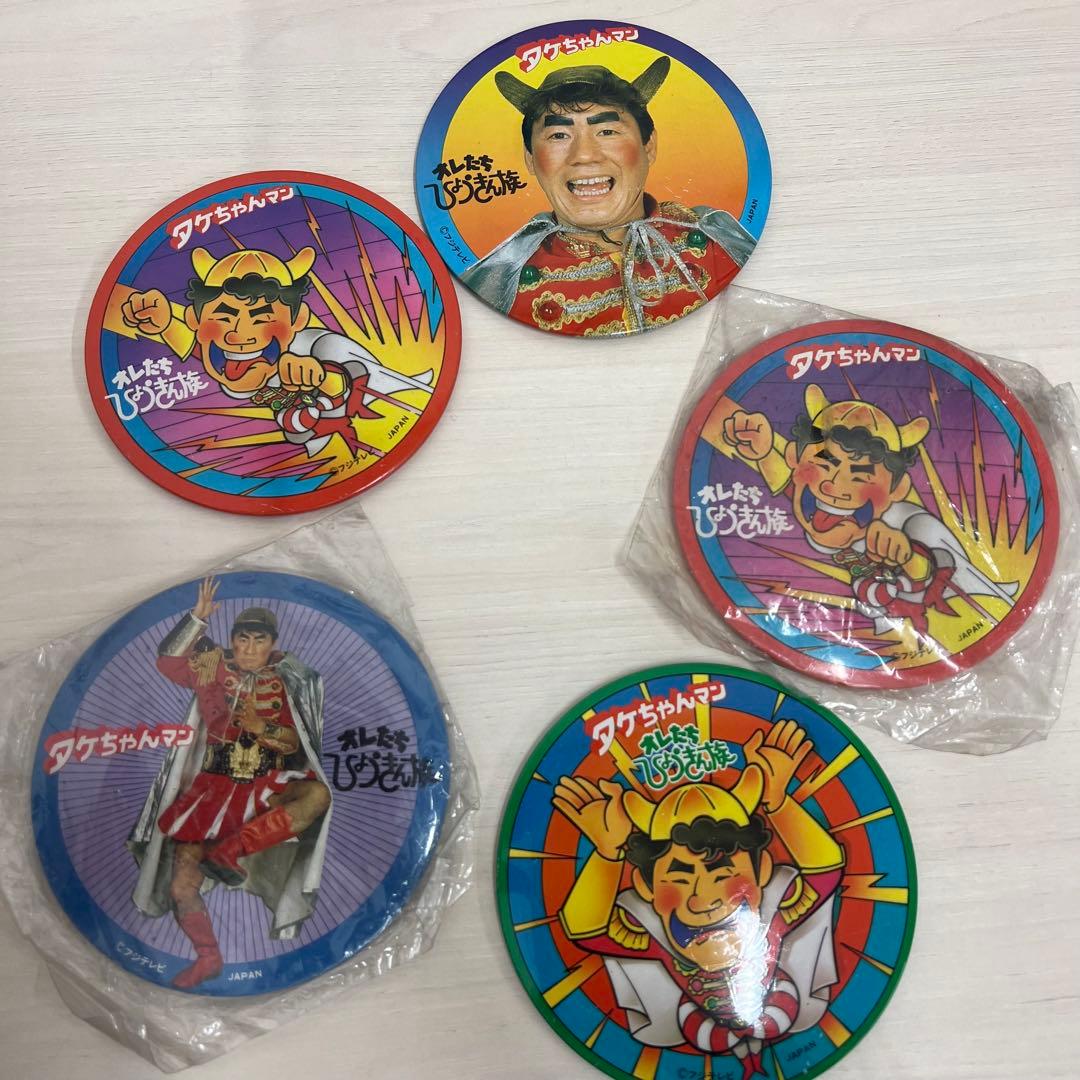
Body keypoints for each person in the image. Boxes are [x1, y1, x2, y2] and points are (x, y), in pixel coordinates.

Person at [553, 722, 843, 1079]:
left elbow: (826, 871)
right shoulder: (654, 939)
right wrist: (606, 854)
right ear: (645, 887)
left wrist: (780, 803)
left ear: (763, 872)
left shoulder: (776, 914)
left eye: (723, 876)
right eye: (680, 879)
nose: (703, 899)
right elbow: (584, 930)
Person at [127, 577, 332, 989]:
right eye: (242, 639)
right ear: (233, 640)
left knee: (316, 795)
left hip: (268, 783)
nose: (249, 649)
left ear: (272, 643)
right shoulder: (210, 667)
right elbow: (167, 661)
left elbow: (295, 743)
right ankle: (208, 957)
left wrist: (261, 728)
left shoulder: (293, 680)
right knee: (182, 883)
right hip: (211, 789)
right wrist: (196, 619)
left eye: (259, 640)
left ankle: (229, 851)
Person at [460, 58, 757, 335]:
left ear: (649, 146)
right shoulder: (497, 282)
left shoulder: (718, 239)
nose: (584, 155)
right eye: (558, 135)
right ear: (531, 159)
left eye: (607, 131)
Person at [720, 384, 1018, 633]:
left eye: (860, 476)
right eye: (825, 464)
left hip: (938, 618)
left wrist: (905, 553)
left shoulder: (909, 524)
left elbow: (935, 566)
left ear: (897, 490)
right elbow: (790, 485)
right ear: (793, 457)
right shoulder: (815, 500)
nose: (831, 485)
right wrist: (763, 454)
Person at [120, 246, 432, 455]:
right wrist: (163, 326)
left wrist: (320, 376)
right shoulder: (223, 354)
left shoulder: (317, 345)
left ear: (297, 320)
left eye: (261, 319)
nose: (239, 335)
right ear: (194, 319)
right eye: (224, 317)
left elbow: (350, 378)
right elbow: (199, 348)